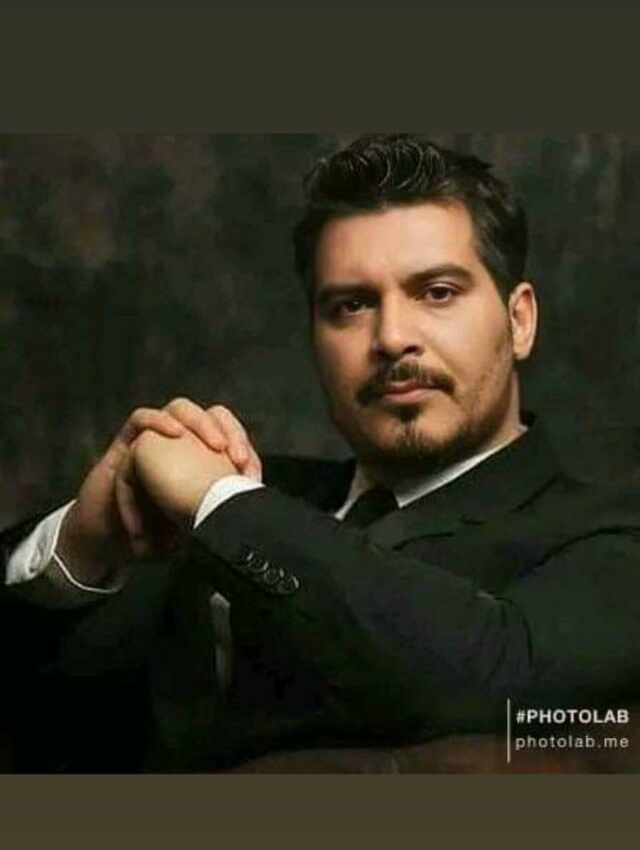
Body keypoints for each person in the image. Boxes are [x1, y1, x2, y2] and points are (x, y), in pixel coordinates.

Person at [1, 134, 639, 772]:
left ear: (519, 320)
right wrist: (79, 546)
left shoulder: (610, 534)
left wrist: (221, 504)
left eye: (437, 292)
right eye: (350, 305)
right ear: (313, 336)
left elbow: (499, 685)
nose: (392, 337)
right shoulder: (233, 490)